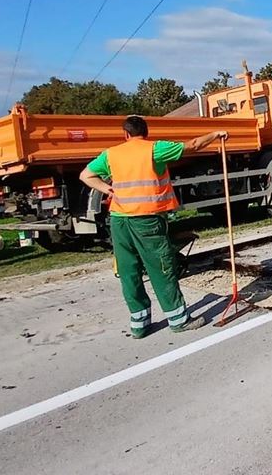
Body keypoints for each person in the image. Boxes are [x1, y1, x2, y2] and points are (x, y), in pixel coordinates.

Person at [80, 116, 228, 339]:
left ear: (126, 134)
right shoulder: (154, 149)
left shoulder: (111, 154)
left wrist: (107, 189)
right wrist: (216, 134)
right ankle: (178, 320)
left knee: (129, 271)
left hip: (119, 221)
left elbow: (86, 175)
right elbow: (194, 145)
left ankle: (139, 325)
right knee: (161, 267)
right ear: (146, 133)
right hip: (146, 220)